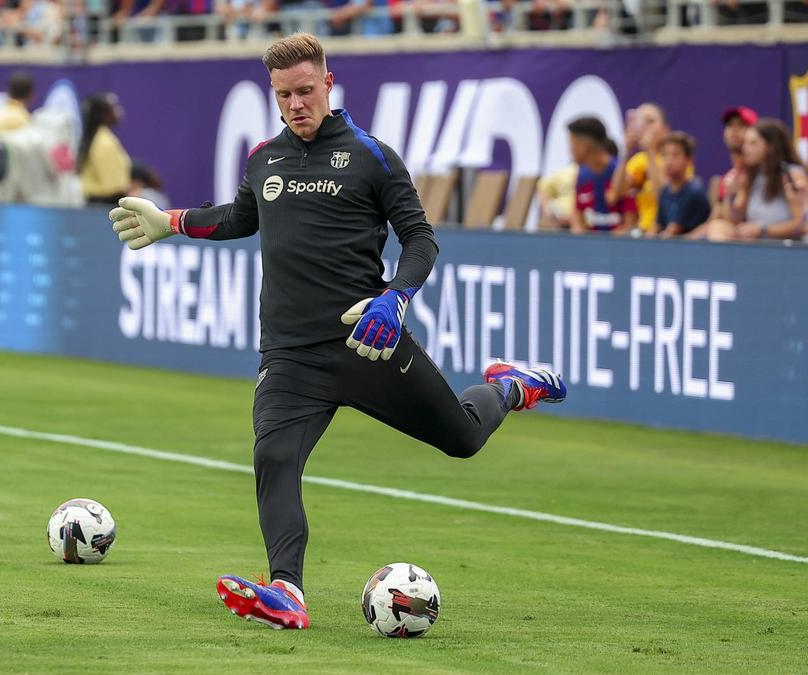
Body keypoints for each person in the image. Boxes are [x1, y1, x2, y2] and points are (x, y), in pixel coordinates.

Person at [108, 33, 566, 631]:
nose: (295, 104)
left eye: (304, 90)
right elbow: (240, 217)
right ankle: (287, 591)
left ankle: (511, 386)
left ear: (328, 84)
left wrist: (396, 297)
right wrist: (172, 220)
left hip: (365, 342)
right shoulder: (265, 158)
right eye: (283, 95)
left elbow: (421, 238)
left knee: (461, 438)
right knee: (274, 457)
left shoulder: (373, 157)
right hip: (290, 354)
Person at [698, 119, 807, 243]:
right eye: (745, 143)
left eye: (753, 143)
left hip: (785, 247)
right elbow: (734, 220)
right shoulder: (750, 176)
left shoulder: (792, 174)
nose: (745, 149)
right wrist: (731, 194)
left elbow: (802, 226)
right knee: (717, 226)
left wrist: (763, 230)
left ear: (770, 147)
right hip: (756, 244)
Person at [612, 102, 675, 235]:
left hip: (666, 231)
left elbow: (666, 197)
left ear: (665, 129)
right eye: (641, 121)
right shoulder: (639, 160)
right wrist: (626, 151)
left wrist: (650, 151)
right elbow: (618, 192)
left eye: (650, 121)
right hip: (641, 230)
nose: (645, 127)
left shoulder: (675, 158)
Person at [568, 116, 634, 234]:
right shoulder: (582, 175)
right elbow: (577, 213)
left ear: (585, 145)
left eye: (573, 144)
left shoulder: (620, 171)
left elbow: (630, 224)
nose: (570, 150)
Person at [655, 132, 711, 238]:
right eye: (664, 155)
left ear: (689, 160)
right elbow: (658, 226)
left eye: (675, 155)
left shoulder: (693, 191)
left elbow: (673, 231)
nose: (668, 161)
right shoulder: (665, 191)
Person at [78, 92, 130, 204]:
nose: (119, 111)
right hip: (104, 207)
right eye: (114, 107)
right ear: (104, 114)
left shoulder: (102, 137)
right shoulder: (104, 142)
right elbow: (113, 188)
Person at [714, 105, 757, 219]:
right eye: (729, 125)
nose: (733, 130)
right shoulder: (728, 178)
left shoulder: (762, 175)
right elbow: (716, 219)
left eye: (741, 125)